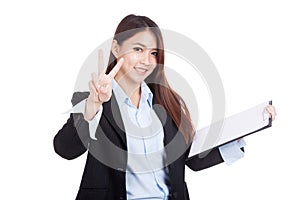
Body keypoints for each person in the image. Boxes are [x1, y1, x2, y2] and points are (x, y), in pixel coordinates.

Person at [53, 14, 277, 200]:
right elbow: (65, 149)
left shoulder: (168, 103)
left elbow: (191, 159)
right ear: (116, 48)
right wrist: (92, 108)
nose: (147, 61)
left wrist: (249, 126)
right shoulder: (92, 100)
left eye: (153, 53)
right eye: (138, 49)